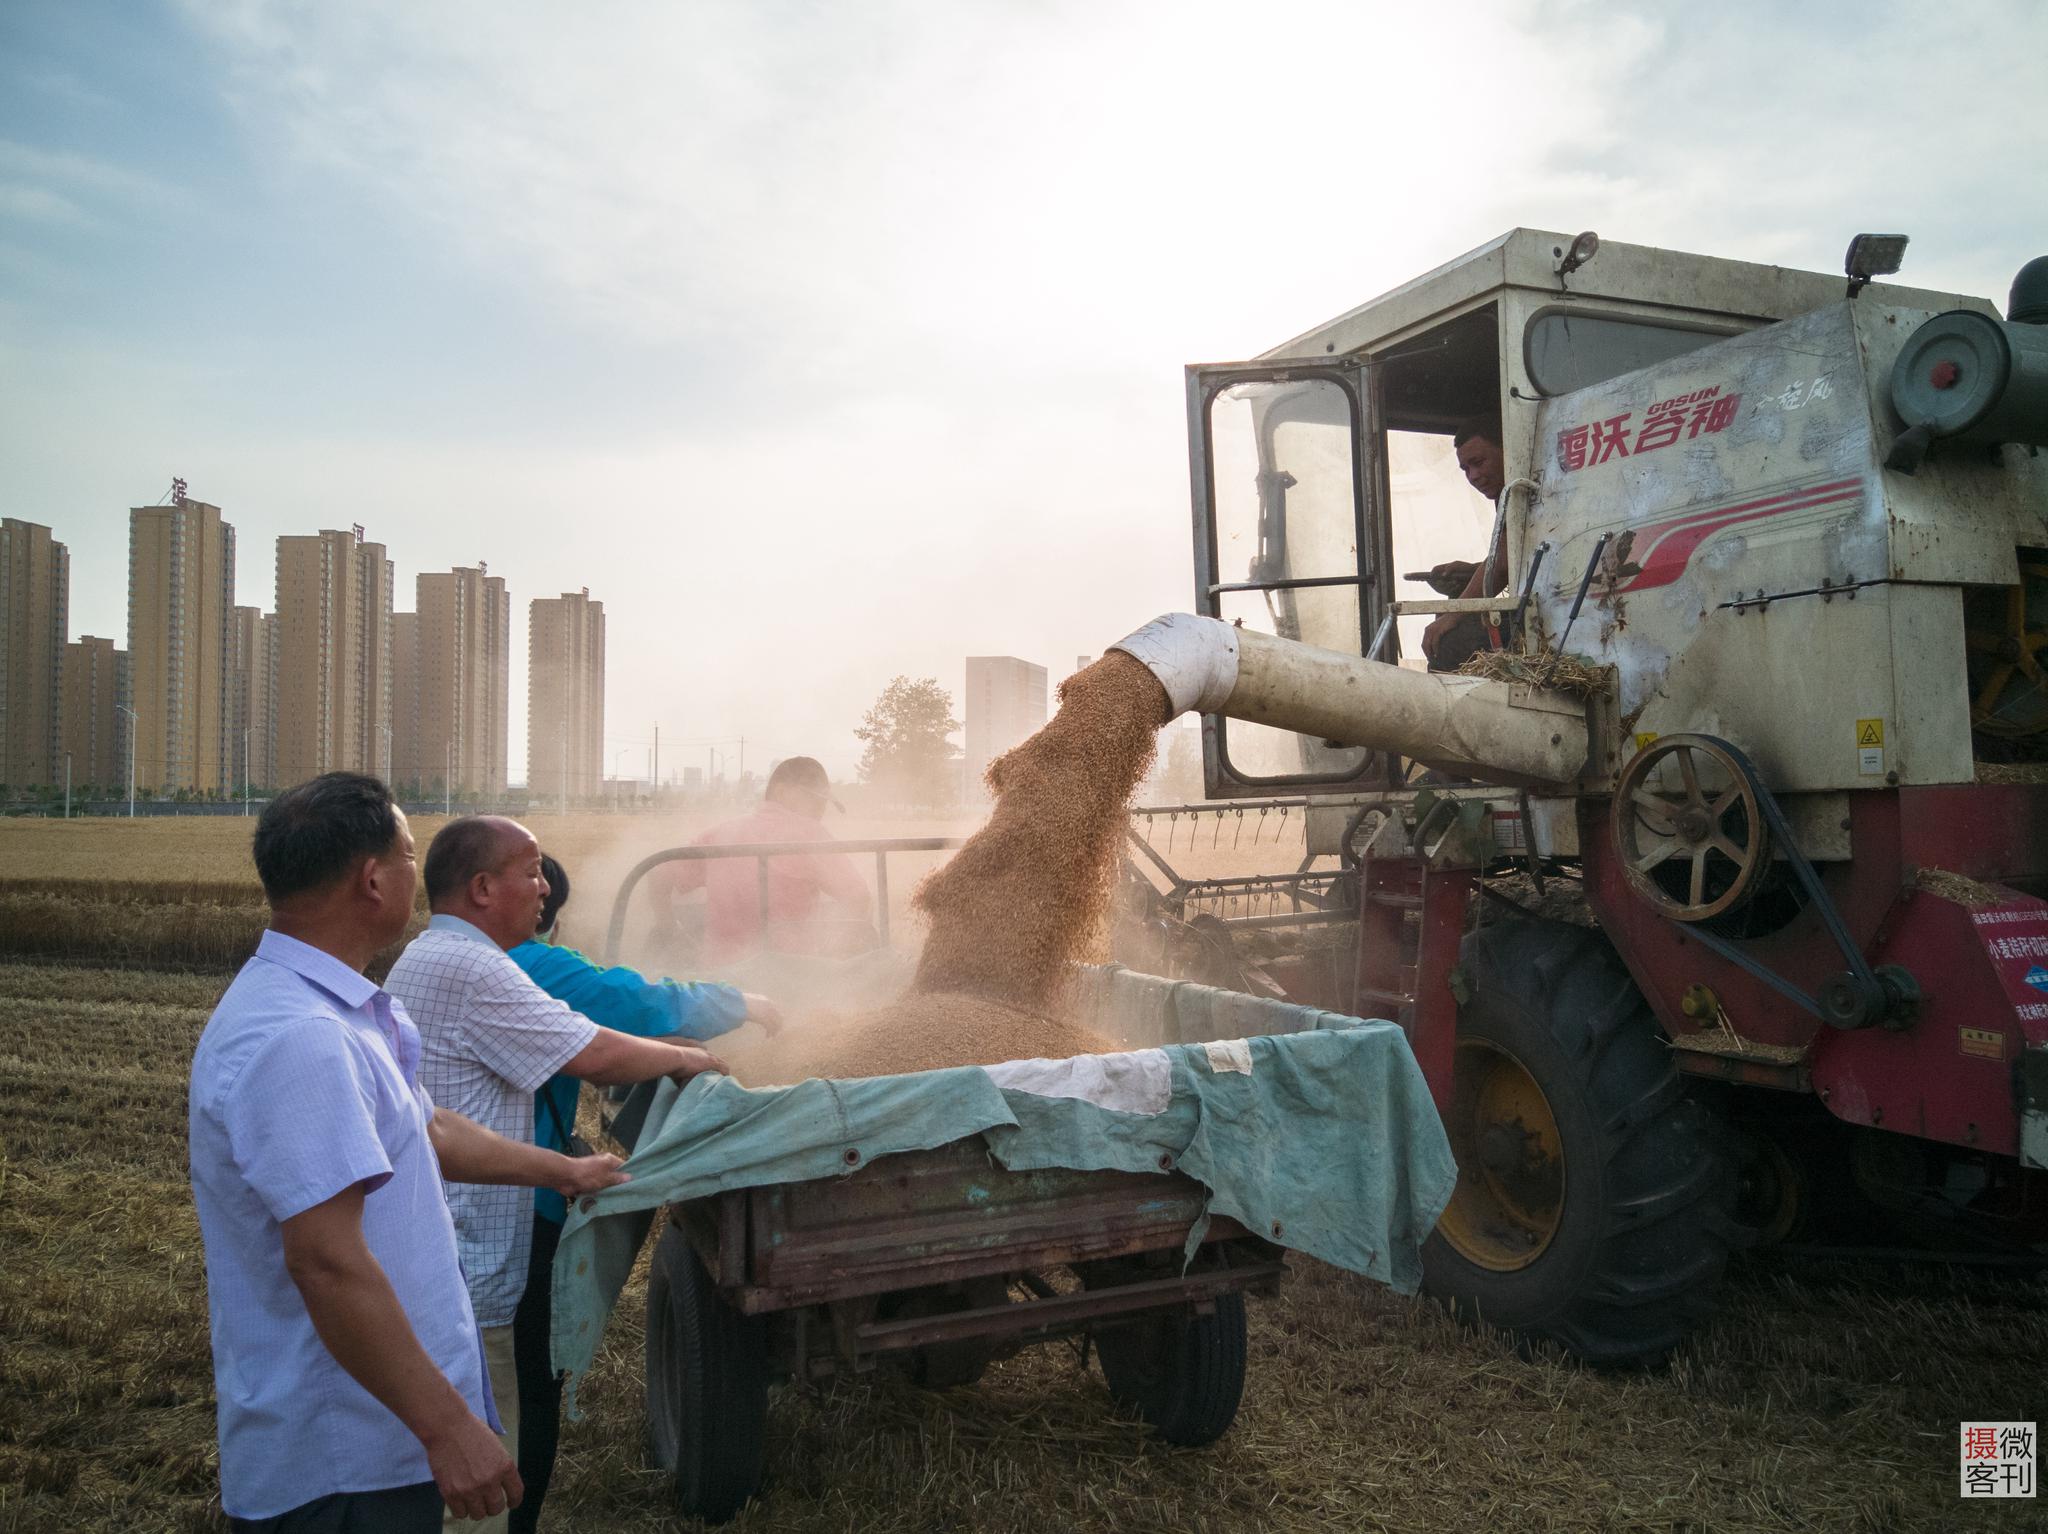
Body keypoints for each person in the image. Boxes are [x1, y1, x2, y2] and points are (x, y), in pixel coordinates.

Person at [189, 772, 630, 1533]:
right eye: (406, 856)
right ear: (370, 880)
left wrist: (566, 1171)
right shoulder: (301, 1039)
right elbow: (326, 1261)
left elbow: (428, 1131)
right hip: (346, 1464)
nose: (414, 877)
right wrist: (446, 1427)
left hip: (378, 1439)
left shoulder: (341, 1010)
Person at [385, 816, 730, 1534]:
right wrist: (686, 1058)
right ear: (483, 888)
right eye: (532, 870)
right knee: (503, 1423)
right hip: (477, 1257)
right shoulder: (478, 967)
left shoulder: (426, 956)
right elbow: (595, 1051)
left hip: (446, 1235)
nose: (545, 886)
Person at [503, 852, 779, 1534]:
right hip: (510, 1204)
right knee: (524, 1378)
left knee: (509, 1372)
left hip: (481, 1194)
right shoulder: (535, 966)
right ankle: (510, 1509)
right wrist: (739, 1006)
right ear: (542, 915)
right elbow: (633, 1006)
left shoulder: (446, 960)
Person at [654, 755, 876, 963]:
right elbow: (858, 898)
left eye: (824, 801)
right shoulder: (810, 834)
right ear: (781, 792)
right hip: (793, 977)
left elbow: (658, 877)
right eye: (813, 798)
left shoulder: (720, 834)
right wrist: (835, 952)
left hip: (720, 983)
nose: (821, 809)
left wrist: (667, 926)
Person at [1420, 422, 1509, 671]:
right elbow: (1510, 557)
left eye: (1479, 463)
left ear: (1508, 449)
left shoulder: (1518, 489)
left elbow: (1503, 564)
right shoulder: (1504, 494)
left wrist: (1452, 615)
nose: (1473, 476)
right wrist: (1471, 570)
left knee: (1448, 639)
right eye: (1465, 469)